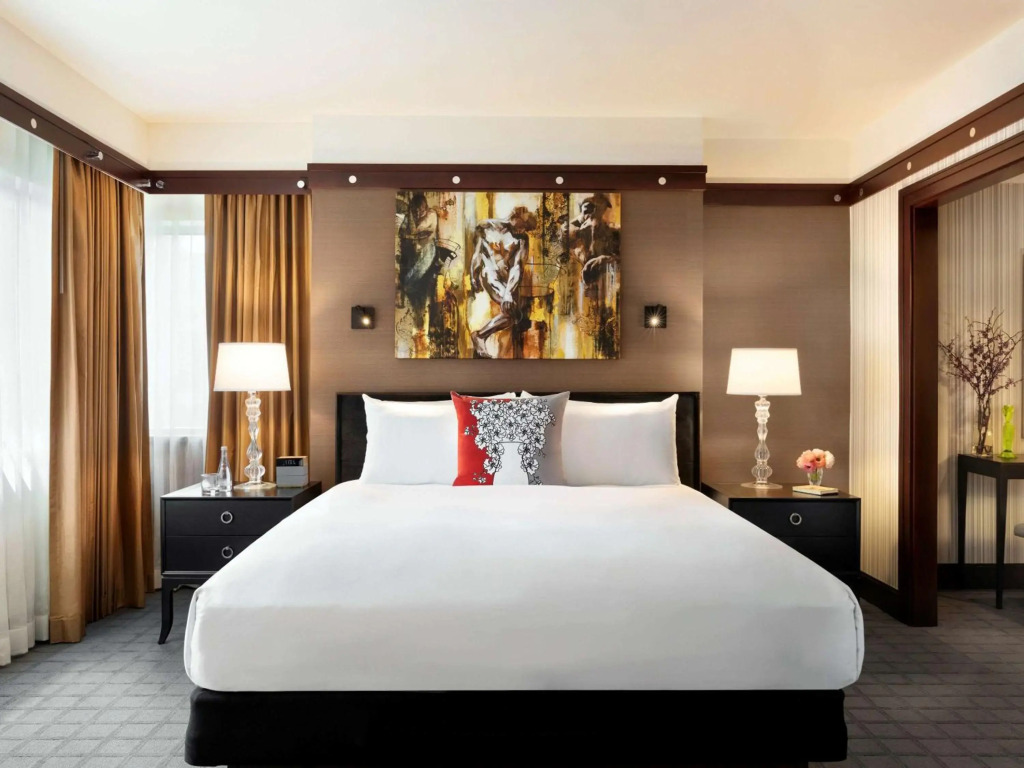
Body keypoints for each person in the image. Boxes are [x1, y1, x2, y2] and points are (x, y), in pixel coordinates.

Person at [469, 205, 538, 358]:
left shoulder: (522, 239)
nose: (523, 230)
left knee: (514, 314)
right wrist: (473, 275)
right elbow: (477, 254)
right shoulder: (485, 227)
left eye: (526, 228)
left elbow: (517, 267)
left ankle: (480, 336)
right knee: (512, 312)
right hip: (489, 274)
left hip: (507, 281)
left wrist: (508, 293)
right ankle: (479, 336)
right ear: (515, 216)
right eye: (523, 225)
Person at [569, 192, 620, 283]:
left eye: (602, 205)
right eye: (592, 207)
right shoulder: (574, 231)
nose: (600, 211)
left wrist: (609, 260)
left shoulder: (613, 231)